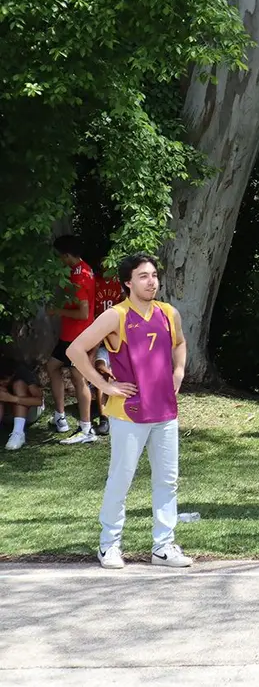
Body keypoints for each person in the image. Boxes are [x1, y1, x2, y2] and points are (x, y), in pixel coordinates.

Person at [66, 253, 194, 569]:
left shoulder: (168, 313)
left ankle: (163, 547)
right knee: (121, 479)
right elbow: (75, 350)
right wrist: (104, 386)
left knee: (167, 480)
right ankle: (109, 545)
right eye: (143, 276)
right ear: (128, 282)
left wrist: (178, 372)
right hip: (129, 412)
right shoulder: (117, 316)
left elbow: (180, 343)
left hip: (165, 410)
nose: (151, 281)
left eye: (153, 275)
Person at [46, 235, 96, 443]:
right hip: (69, 336)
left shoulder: (79, 277)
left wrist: (58, 310)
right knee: (52, 366)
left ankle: (86, 429)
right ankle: (60, 417)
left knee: (78, 378)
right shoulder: (83, 268)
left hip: (80, 337)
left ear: (66, 255)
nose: (59, 259)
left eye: (60, 256)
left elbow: (83, 313)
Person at [88, 262, 125, 436]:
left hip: (115, 334)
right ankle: (105, 419)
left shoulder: (119, 283)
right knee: (103, 374)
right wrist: (107, 372)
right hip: (98, 331)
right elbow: (100, 362)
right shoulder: (94, 281)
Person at [0, 358, 45, 451]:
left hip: (28, 414)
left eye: (4, 381)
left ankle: (18, 433)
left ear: (11, 375)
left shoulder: (23, 374)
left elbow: (39, 401)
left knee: (19, 385)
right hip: (5, 415)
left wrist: (12, 398)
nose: (2, 383)